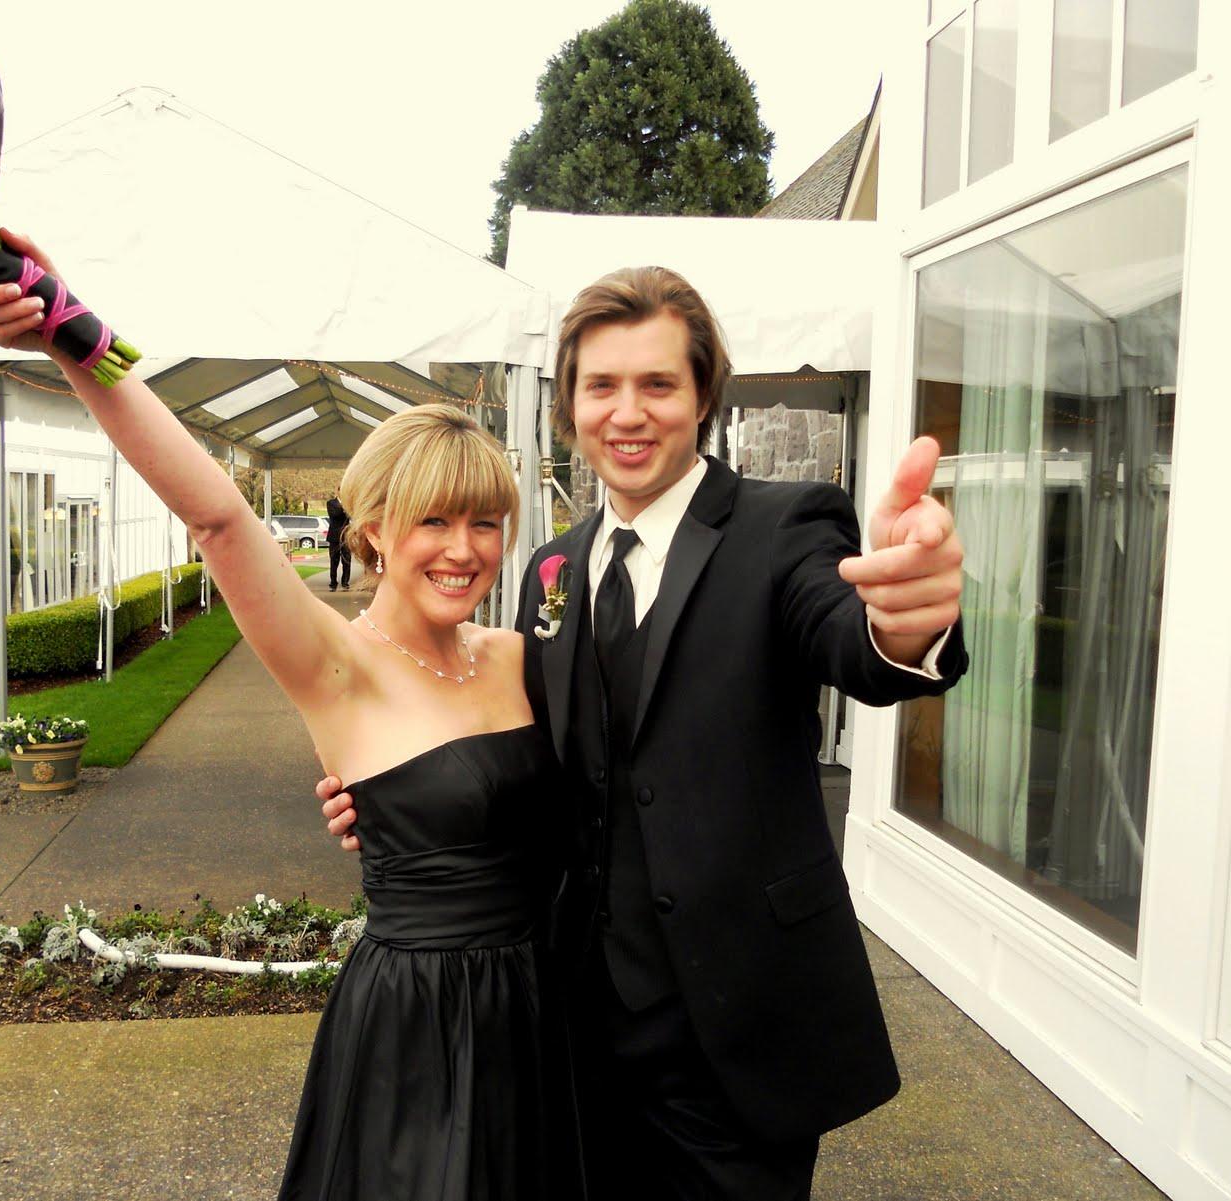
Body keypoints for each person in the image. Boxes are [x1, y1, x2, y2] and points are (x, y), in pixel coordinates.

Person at [0, 229, 582, 1201]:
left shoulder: (522, 659)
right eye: (433, 522)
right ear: (371, 532)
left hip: (537, 1009)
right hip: (416, 1028)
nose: (464, 550)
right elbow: (220, 517)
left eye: (484, 522)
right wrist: (74, 335)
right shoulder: (337, 665)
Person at [320, 266, 968, 1200]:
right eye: (601, 385)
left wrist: (904, 618)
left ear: (704, 395)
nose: (628, 412)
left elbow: (852, 638)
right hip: (576, 1023)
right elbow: (517, 749)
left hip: (736, 1029)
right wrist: (396, 792)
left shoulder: (784, 529)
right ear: (570, 407)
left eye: (658, 383)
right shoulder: (551, 567)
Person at [325, 495, 351, 590]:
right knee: (334, 561)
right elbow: (334, 514)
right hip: (334, 537)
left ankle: (345, 582)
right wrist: (344, 509)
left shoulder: (349, 502)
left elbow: (351, 515)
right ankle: (333, 583)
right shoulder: (331, 503)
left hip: (346, 536)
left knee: (347, 560)